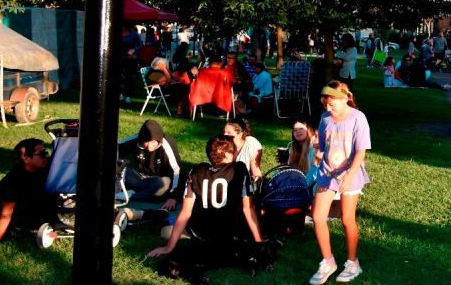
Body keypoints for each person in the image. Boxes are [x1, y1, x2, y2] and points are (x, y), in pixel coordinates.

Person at [145, 135, 267, 283]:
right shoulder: (239, 169)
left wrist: (169, 247)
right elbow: (248, 209)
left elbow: (185, 212)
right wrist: (259, 242)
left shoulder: (197, 171)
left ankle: (187, 268)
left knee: (170, 237)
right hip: (231, 237)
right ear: (230, 154)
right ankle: (248, 257)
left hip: (203, 236)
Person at [309, 81, 370, 285]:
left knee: (346, 219)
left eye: (332, 104)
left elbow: (361, 151)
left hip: (349, 173)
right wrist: (316, 147)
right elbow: (325, 145)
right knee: (318, 217)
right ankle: (328, 262)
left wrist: (349, 176)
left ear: (345, 98)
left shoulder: (357, 118)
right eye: (325, 104)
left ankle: (353, 263)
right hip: (327, 173)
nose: (328, 108)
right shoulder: (325, 118)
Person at [0, 138, 57, 243]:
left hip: (46, 208)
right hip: (31, 218)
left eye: (45, 153)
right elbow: (6, 214)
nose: (46, 157)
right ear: (26, 158)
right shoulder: (12, 182)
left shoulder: (43, 167)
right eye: (42, 154)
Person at [126, 119, 183, 212]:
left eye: (152, 142)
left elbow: (177, 172)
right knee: (124, 171)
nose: (149, 146)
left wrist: (173, 197)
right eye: (146, 142)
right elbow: (118, 144)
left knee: (165, 182)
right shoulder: (136, 140)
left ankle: (130, 196)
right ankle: (145, 194)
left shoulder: (168, 144)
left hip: (159, 181)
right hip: (141, 179)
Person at [285, 119, 320, 186]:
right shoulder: (293, 147)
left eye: (301, 128)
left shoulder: (313, 148)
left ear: (308, 130)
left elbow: (312, 173)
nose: (298, 132)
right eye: (295, 130)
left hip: (311, 184)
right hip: (301, 180)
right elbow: (292, 169)